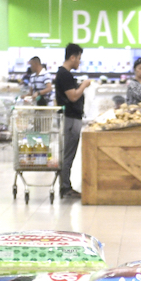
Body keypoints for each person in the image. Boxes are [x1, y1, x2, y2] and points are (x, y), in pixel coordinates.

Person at [55, 43, 93, 200]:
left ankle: (66, 185)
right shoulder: (65, 75)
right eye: (79, 58)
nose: (79, 62)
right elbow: (73, 96)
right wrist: (84, 85)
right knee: (69, 154)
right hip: (71, 119)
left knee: (69, 153)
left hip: (72, 118)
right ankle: (65, 187)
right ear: (72, 57)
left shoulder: (64, 74)